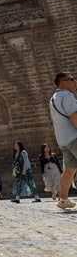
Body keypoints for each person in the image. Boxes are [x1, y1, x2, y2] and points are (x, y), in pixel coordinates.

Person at [49, 72, 77, 209]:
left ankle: (64, 200)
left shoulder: (54, 98)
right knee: (70, 169)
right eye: (71, 79)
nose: (74, 81)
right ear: (62, 83)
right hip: (74, 137)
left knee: (70, 169)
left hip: (63, 139)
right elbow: (73, 116)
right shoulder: (67, 96)